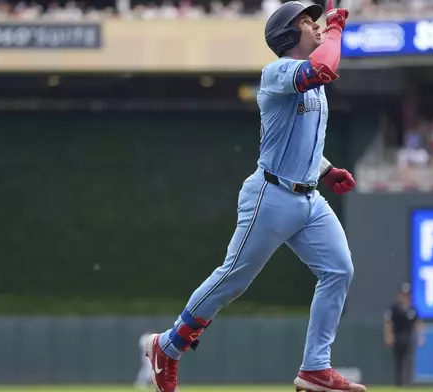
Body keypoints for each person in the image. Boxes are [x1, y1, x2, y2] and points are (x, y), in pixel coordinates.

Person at [144, 1, 364, 392]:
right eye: (306, 22)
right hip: (272, 194)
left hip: (309, 198)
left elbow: (297, 139)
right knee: (233, 279)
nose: (315, 26)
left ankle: (315, 367)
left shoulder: (308, 82)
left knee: (339, 270)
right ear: (287, 35)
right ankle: (169, 345)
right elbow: (325, 68)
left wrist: (326, 169)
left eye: (317, 21)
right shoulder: (277, 71)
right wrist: (335, 29)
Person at [384, 283, 424, 387]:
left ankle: (408, 383)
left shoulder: (412, 309)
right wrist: (389, 336)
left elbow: (417, 323)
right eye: (403, 294)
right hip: (397, 337)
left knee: (408, 361)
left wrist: (420, 337)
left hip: (408, 337)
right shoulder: (394, 308)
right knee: (398, 361)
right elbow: (389, 322)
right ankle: (399, 384)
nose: (405, 297)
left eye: (407, 294)